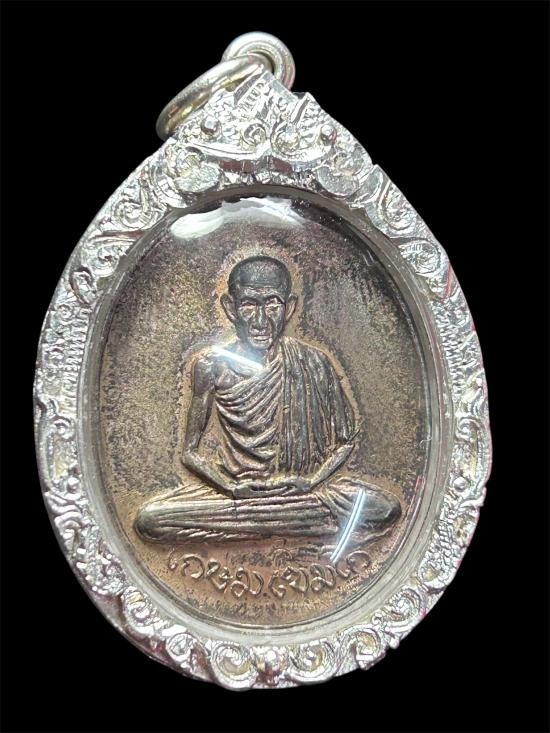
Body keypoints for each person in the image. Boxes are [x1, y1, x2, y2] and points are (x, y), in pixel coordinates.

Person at [135, 255, 401, 543]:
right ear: (230, 308)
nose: (261, 321)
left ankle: (254, 525)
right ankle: (288, 524)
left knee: (384, 508)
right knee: (150, 519)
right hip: (237, 494)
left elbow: (346, 441)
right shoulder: (211, 366)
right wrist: (230, 488)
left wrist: (311, 481)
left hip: (300, 492)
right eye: (249, 305)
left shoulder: (313, 362)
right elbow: (189, 453)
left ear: (290, 308)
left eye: (272, 304)